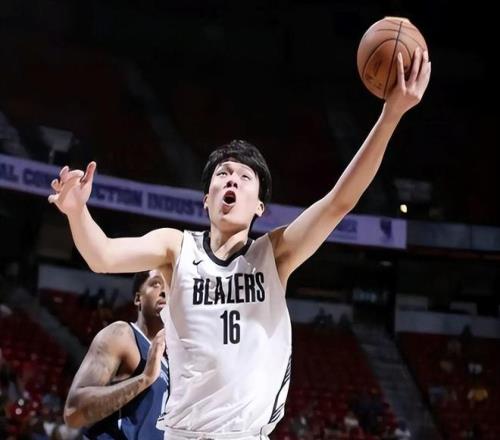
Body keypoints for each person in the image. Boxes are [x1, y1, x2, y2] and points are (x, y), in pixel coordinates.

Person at [49, 48, 430, 439]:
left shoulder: (274, 253)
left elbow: (339, 202)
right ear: (206, 199)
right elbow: (102, 256)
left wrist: (391, 115)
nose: (231, 179)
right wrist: (77, 212)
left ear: (260, 206)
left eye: (245, 176)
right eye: (223, 174)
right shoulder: (176, 248)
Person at [63, 269, 170, 439]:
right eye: (156, 284)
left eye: (169, 285)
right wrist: (145, 378)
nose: (164, 291)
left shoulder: (175, 359)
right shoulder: (121, 335)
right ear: (138, 298)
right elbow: (73, 413)